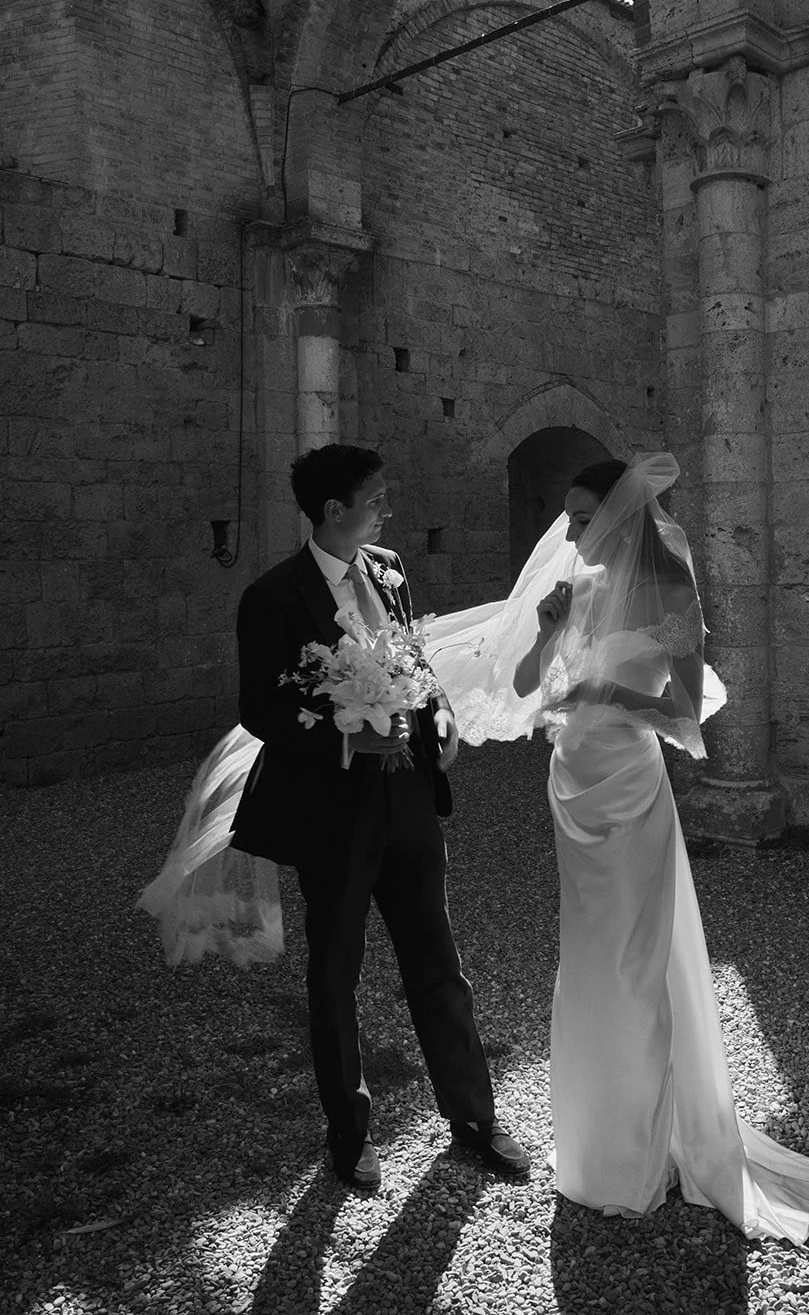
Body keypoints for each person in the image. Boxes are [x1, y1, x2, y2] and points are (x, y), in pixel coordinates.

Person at [425, 451, 809, 1239]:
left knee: (632, 955)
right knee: (589, 954)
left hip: (626, 782)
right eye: (571, 517)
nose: (573, 531)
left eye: (586, 518)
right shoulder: (577, 587)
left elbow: (688, 713)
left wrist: (600, 691)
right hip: (570, 781)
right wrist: (548, 631)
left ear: (623, 519)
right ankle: (600, 1138)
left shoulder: (669, 590)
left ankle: (646, 1141)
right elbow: (525, 689)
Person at [140, 445, 530, 1192]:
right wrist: (347, 738)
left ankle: (474, 1118)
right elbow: (260, 708)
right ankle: (348, 1135)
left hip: (410, 801)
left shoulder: (388, 569)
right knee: (335, 974)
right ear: (332, 512)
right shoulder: (272, 596)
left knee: (439, 964)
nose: (386, 511)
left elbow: (414, 661)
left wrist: (439, 714)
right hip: (332, 810)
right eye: (375, 499)